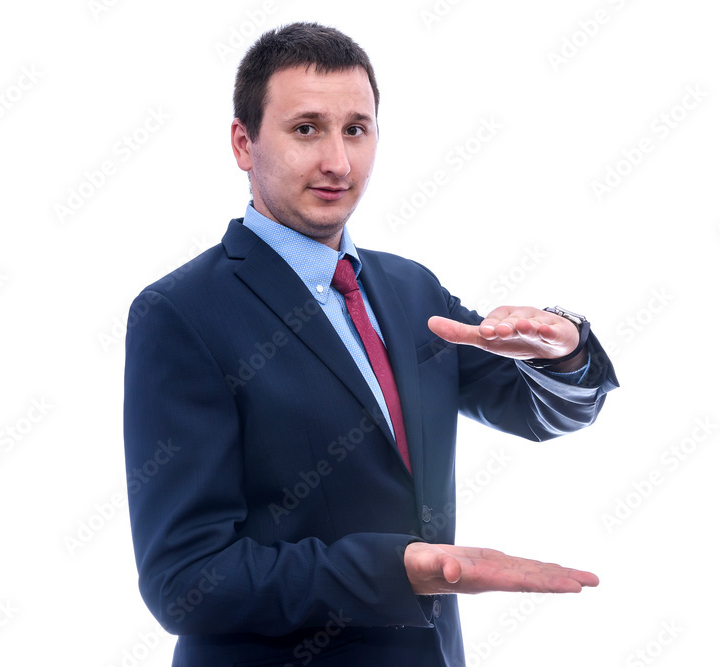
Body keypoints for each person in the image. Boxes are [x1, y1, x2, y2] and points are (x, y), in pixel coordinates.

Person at [123, 21, 619, 667]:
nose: (338, 161)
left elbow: (543, 411)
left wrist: (568, 352)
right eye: (307, 129)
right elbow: (185, 583)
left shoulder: (409, 290)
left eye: (356, 128)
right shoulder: (181, 313)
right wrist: (399, 569)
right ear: (244, 143)